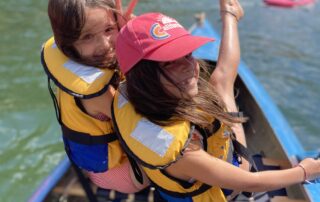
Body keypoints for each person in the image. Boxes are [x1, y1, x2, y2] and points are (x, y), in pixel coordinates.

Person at [111, 11, 320, 202]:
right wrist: (304, 171)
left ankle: (230, 15)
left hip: (212, 164)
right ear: (142, 77)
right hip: (227, 189)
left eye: (187, 55)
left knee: (222, 81)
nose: (189, 66)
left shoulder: (133, 92)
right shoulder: (177, 147)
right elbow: (249, 182)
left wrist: (229, 17)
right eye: (169, 63)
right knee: (222, 83)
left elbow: (226, 70)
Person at [43, 0, 149, 193]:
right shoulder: (95, 93)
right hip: (118, 173)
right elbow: (146, 126)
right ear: (67, 43)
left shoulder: (79, 62)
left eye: (109, 29)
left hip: (98, 154)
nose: (104, 45)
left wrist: (126, 35)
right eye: (87, 37)